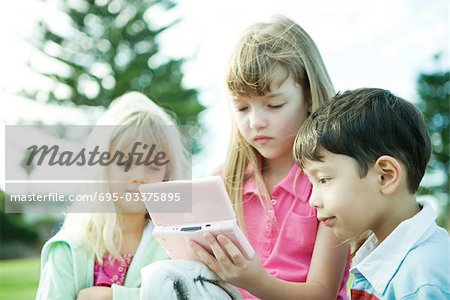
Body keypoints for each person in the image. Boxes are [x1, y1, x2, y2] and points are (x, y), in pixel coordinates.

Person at [190, 15, 350, 299]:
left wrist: (255, 281)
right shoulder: (223, 182)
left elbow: (322, 293)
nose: (255, 122)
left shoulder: (329, 181)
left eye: (273, 105)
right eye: (241, 108)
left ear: (310, 98)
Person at [293, 88, 450, 299]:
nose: (313, 200)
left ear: (385, 176)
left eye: (323, 180)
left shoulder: (423, 279)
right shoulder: (395, 262)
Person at [36, 92, 189, 300]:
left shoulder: (177, 246)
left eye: (153, 165)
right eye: (125, 162)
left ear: (167, 174)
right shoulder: (69, 249)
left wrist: (113, 297)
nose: (138, 177)